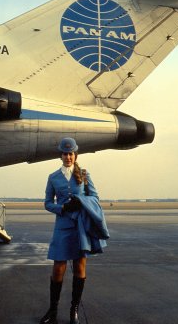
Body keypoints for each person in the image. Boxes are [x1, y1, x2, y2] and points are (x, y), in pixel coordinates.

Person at [39, 137, 109, 324]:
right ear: (60, 156)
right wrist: (61, 208)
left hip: (80, 227)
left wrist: (82, 201)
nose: (68, 157)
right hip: (63, 226)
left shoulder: (84, 174)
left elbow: (95, 197)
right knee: (58, 268)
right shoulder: (53, 177)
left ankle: (74, 310)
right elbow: (47, 203)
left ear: (75, 155)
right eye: (65, 154)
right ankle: (53, 311)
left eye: (71, 154)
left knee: (79, 267)